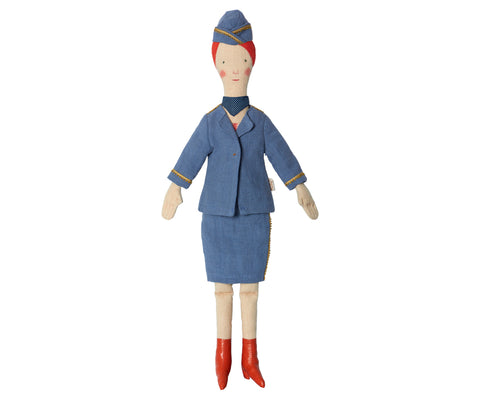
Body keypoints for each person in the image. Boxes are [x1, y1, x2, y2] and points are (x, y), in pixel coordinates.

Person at [162, 10, 318, 390]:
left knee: (250, 288)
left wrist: (298, 185)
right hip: (216, 215)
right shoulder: (210, 122)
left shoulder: (260, 122)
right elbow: (191, 155)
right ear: (216, 65)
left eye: (241, 60)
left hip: (252, 213)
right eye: (226, 61)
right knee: (221, 290)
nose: (234, 69)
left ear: (252, 63)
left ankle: (251, 357)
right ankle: (223, 357)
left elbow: (281, 153)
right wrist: (176, 186)